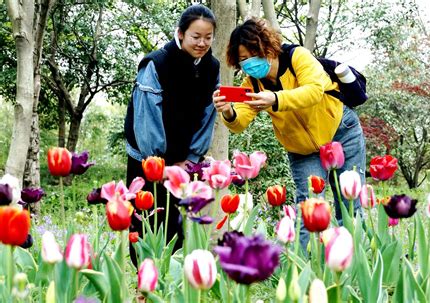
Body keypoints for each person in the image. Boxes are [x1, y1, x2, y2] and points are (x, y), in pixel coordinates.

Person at [213, 17, 366, 250]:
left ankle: (354, 267)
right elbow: (240, 122)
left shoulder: (298, 57)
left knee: (349, 203)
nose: (250, 62)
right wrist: (229, 112)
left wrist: (275, 99)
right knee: (308, 210)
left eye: (254, 53)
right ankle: (302, 272)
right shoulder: (252, 83)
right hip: (303, 151)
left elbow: (314, 91)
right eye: (243, 59)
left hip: (341, 132)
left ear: (268, 46)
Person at [124, 4, 220, 266]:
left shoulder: (211, 67)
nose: (202, 43)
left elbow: (208, 115)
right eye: (195, 36)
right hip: (147, 157)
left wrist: (189, 159)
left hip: (181, 162)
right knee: (145, 224)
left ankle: (169, 286)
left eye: (208, 37)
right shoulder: (157, 63)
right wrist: (157, 162)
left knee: (175, 227)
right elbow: (146, 116)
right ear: (180, 34)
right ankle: (144, 285)